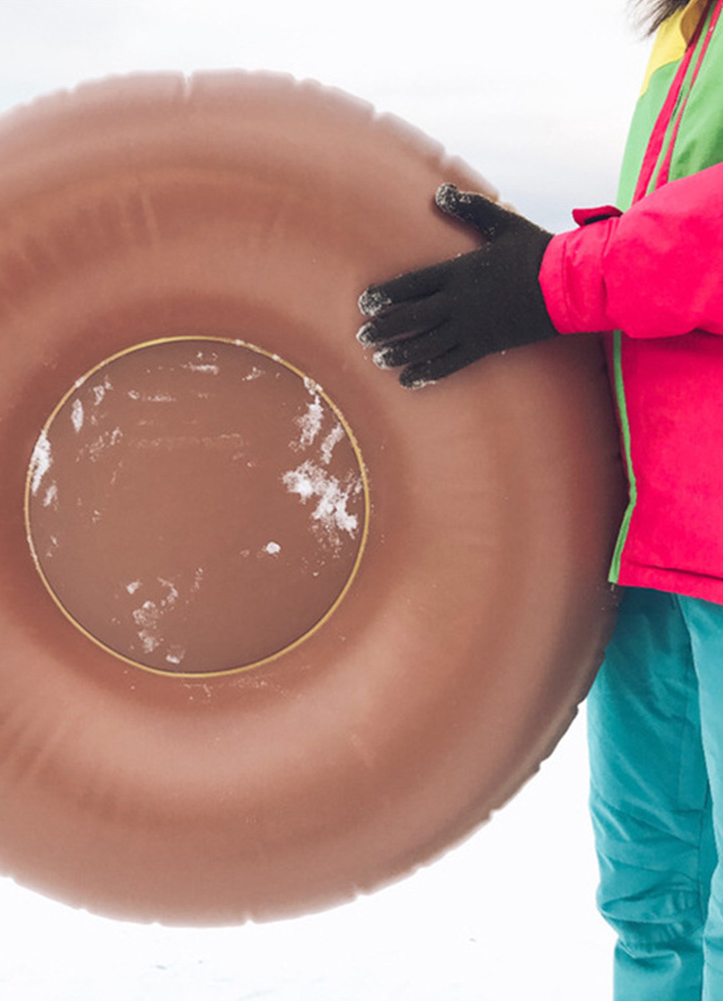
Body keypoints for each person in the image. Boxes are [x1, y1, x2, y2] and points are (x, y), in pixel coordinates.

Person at [356, 0, 722, 997]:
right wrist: (560, 291)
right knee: (650, 899)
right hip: (655, 546)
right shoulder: (684, 30)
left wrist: (558, 280)